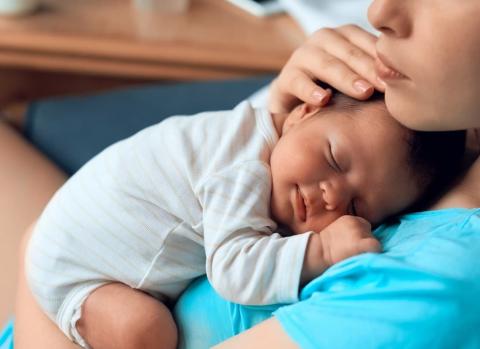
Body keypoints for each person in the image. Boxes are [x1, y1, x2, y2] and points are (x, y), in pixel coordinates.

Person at [5, 0, 480, 348]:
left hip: (68, 294)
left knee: (141, 332)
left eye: (356, 208)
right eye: (333, 157)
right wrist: (277, 101)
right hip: (85, 255)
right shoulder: (424, 129)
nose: (378, 12)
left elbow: (42, 248)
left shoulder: (431, 287)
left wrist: (36, 254)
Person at [25, 89, 464, 349]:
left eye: (354, 208)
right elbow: (233, 272)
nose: (331, 194)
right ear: (303, 112)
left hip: (61, 233)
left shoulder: (277, 142)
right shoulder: (243, 170)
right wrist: (322, 249)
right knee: (146, 331)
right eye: (333, 157)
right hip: (76, 270)